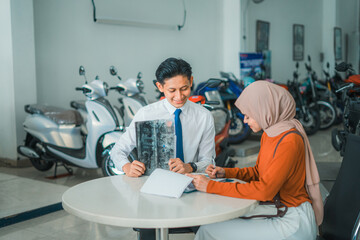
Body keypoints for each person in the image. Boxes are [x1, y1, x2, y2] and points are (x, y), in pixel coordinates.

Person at [187, 81, 323, 240]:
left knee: (208, 230)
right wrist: (226, 172)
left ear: (265, 111)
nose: (244, 120)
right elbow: (259, 172)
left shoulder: (289, 140)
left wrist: (211, 186)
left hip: (293, 221)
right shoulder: (270, 133)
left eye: (248, 116)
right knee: (213, 223)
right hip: (278, 208)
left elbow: (264, 190)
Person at [110, 57, 216, 239]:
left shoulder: (204, 117)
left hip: (190, 190)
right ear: (160, 87)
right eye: (171, 90)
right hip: (152, 192)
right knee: (148, 234)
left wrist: (189, 166)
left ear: (191, 81)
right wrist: (127, 167)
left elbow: (209, 161)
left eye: (184, 88)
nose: (179, 96)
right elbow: (117, 151)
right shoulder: (146, 114)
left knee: (207, 231)